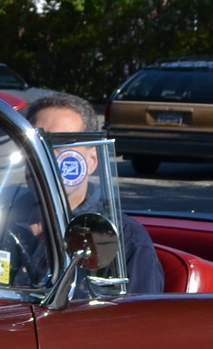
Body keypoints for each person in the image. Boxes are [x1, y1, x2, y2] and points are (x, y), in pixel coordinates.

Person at [25, 92, 163, 294]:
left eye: (60, 145)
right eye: (35, 145)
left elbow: (138, 320)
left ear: (92, 161)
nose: (43, 157)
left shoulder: (122, 238)